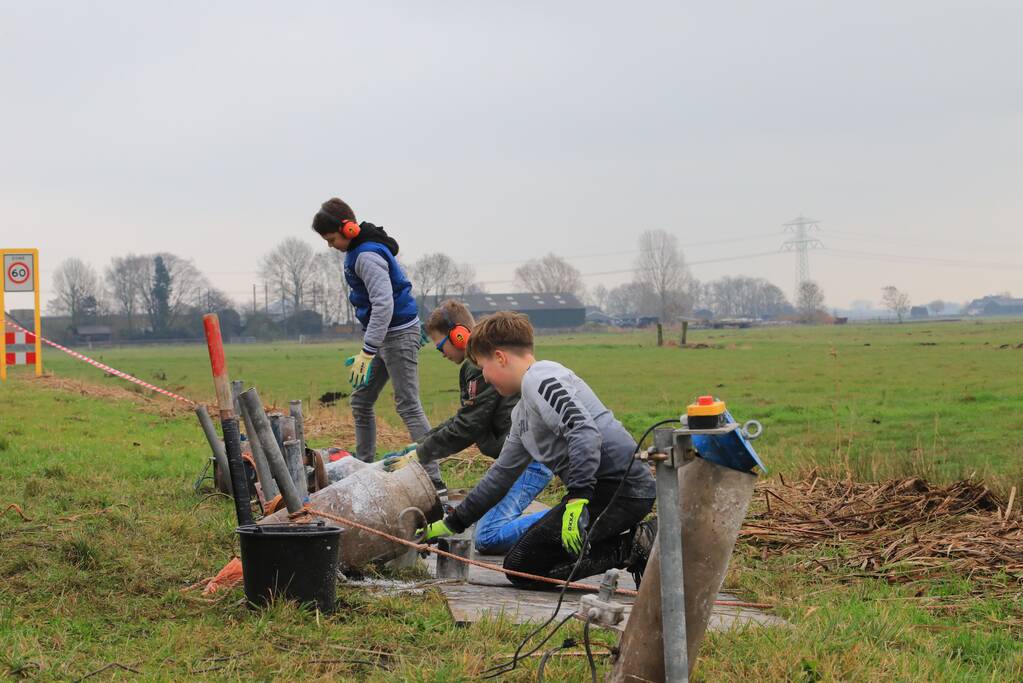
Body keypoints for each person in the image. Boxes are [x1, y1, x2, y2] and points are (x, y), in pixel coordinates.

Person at [420, 311, 657, 587]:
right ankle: (627, 543)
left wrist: (577, 499)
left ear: (500, 357)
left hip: (623, 490)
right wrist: (453, 523)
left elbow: (583, 430)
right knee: (523, 562)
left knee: (524, 565)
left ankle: (635, 544)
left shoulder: (542, 379)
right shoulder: (523, 413)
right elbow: (501, 476)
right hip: (603, 490)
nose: (483, 375)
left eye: (482, 365)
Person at [384, 299, 554, 554]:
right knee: (479, 525)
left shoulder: (479, 367)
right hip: (516, 460)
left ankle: (568, 518)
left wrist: (421, 454)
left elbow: (468, 426)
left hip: (529, 461)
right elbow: (464, 417)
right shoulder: (475, 367)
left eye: (441, 345)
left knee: (488, 537)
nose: (441, 353)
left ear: (459, 335)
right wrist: (420, 445)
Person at [310, 197, 445, 493]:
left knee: (407, 404)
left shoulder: (366, 256)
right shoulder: (357, 251)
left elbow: (383, 304)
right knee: (361, 401)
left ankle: (435, 479)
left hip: (397, 336)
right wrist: (370, 347)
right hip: (383, 337)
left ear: (347, 229)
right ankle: (362, 468)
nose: (330, 245)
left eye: (331, 238)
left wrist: (368, 350)